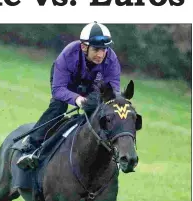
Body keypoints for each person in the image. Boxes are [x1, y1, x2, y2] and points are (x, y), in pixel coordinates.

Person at [16, 21, 121, 170]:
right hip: (66, 83)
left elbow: (113, 92)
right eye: (96, 49)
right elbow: (58, 89)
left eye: (104, 50)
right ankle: (31, 144)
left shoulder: (111, 59)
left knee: (99, 112)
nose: (101, 54)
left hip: (92, 87)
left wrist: (96, 102)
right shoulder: (68, 54)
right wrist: (76, 99)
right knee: (58, 106)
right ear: (84, 47)